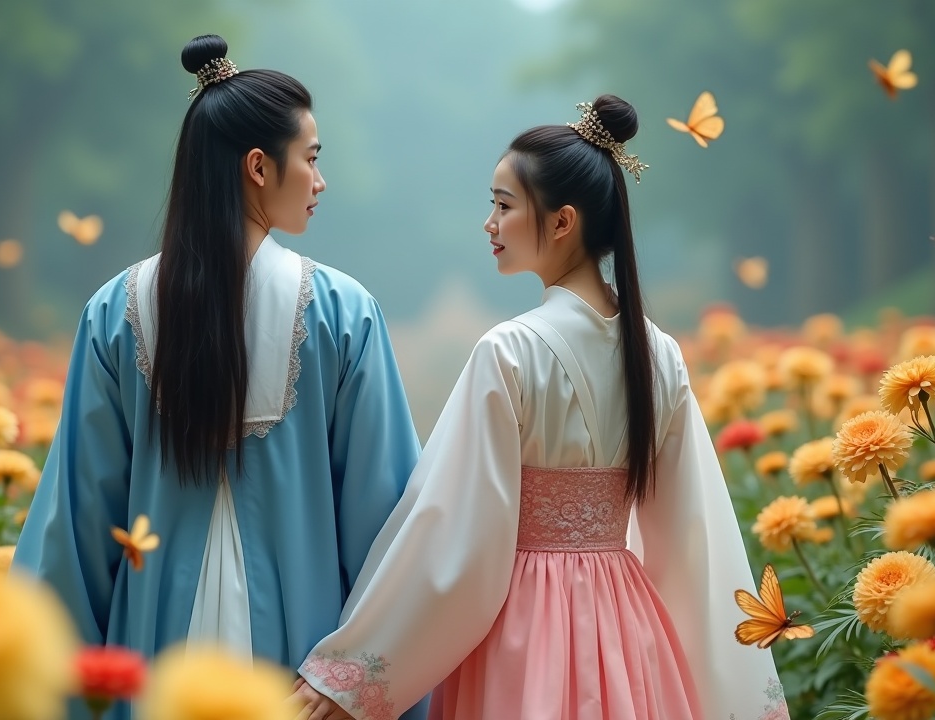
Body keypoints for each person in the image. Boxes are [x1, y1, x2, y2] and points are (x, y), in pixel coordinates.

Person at [295, 96, 788, 720]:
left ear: (562, 222)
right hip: (627, 630)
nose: (490, 224)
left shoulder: (510, 351)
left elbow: (454, 536)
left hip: (524, 624)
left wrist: (354, 670)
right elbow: (694, 541)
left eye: (503, 206)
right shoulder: (658, 353)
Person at [12, 34, 426, 720]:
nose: (320, 181)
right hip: (300, 679)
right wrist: (358, 679)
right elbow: (386, 527)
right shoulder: (341, 314)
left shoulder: (117, 310)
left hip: (152, 668)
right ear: (258, 167)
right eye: (312, 160)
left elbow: (77, 527)